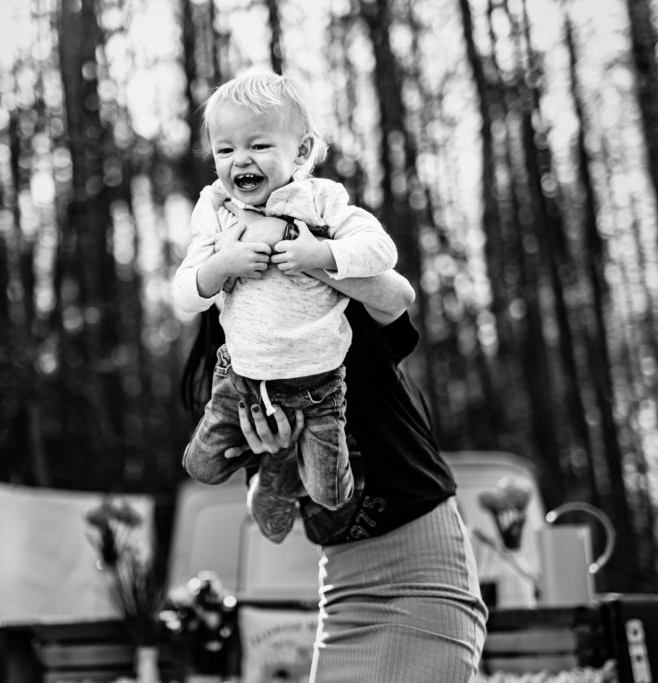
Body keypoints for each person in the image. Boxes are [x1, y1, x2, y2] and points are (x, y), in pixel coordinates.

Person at [181, 238, 487, 681]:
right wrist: (278, 458)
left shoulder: (339, 312)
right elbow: (272, 523)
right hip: (343, 586)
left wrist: (305, 260)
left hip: (423, 568)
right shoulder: (242, 373)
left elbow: (399, 297)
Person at [173, 71, 400, 517]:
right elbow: (185, 295)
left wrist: (318, 251)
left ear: (301, 151)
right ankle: (278, 469)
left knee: (332, 495)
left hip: (318, 383)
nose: (240, 160)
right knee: (200, 465)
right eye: (225, 149)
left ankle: (292, 474)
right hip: (242, 378)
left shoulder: (323, 201)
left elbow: (382, 251)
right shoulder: (217, 210)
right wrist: (224, 264)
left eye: (258, 146)